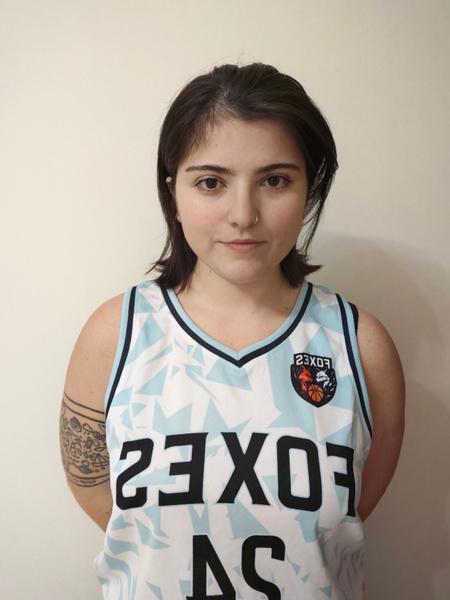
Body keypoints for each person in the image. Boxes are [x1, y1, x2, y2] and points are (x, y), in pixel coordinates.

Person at [59, 62, 405, 599]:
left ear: (309, 188)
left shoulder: (360, 344)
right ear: (173, 192)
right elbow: (101, 497)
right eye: (211, 182)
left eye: (274, 180)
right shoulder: (115, 334)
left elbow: (350, 512)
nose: (243, 214)